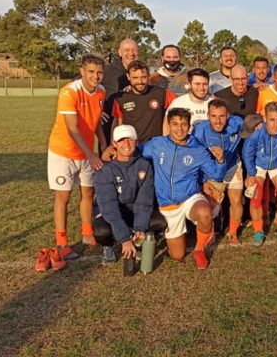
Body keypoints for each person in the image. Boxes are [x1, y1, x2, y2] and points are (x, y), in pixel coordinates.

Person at [40, 54, 107, 269]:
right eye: (91, 72)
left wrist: (103, 147)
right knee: (63, 196)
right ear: (81, 71)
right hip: (64, 151)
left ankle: (87, 234)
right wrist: (92, 154)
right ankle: (62, 243)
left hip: (87, 153)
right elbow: (72, 128)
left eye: (99, 72)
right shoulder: (69, 92)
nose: (96, 76)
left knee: (88, 193)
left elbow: (96, 123)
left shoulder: (102, 92)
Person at [140, 108, 224, 269]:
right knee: (177, 256)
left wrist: (220, 160)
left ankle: (200, 249)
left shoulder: (198, 149)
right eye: (175, 124)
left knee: (204, 213)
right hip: (168, 205)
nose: (179, 129)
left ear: (189, 126)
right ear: (168, 125)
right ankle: (181, 233)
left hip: (190, 198)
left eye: (183, 124)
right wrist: (113, 150)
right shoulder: (157, 144)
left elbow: (216, 174)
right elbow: (136, 151)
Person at [92, 125, 164, 265]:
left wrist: (140, 227)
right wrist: (125, 238)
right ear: (114, 144)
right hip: (113, 214)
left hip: (134, 212)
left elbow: (144, 201)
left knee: (159, 221)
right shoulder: (105, 170)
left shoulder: (144, 166)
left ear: (136, 142)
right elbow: (109, 207)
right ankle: (109, 245)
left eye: (130, 139)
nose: (126, 144)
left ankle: (139, 239)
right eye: (121, 140)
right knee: (101, 231)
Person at [242, 102, 277, 246]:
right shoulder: (257, 131)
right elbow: (247, 153)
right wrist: (251, 174)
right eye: (272, 120)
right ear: (265, 118)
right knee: (255, 195)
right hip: (258, 165)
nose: (276, 124)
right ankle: (258, 231)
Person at [192, 99, 245, 244]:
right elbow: (196, 157)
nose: (217, 121)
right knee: (211, 205)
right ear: (208, 115)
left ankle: (233, 233)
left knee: (236, 200)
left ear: (228, 115)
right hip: (212, 170)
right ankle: (210, 234)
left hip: (233, 166)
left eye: (221, 116)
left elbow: (252, 123)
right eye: (214, 116)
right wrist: (202, 180)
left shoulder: (237, 123)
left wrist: (257, 124)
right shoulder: (200, 131)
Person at [112, 60, 176, 143]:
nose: (140, 81)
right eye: (135, 78)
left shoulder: (162, 93)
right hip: (131, 147)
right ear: (128, 77)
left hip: (155, 147)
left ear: (149, 76)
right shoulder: (121, 98)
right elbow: (117, 123)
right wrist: (112, 143)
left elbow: (182, 105)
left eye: (143, 77)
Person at [100, 39, 138, 148]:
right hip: (109, 123)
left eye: (134, 50)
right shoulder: (107, 70)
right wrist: (96, 110)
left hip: (133, 123)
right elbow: (82, 85)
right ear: (119, 52)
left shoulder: (140, 71)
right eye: (126, 50)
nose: (131, 53)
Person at [164, 68, 213, 134]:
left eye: (205, 84)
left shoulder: (213, 103)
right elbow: (166, 128)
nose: (201, 88)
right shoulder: (178, 104)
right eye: (197, 84)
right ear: (189, 84)